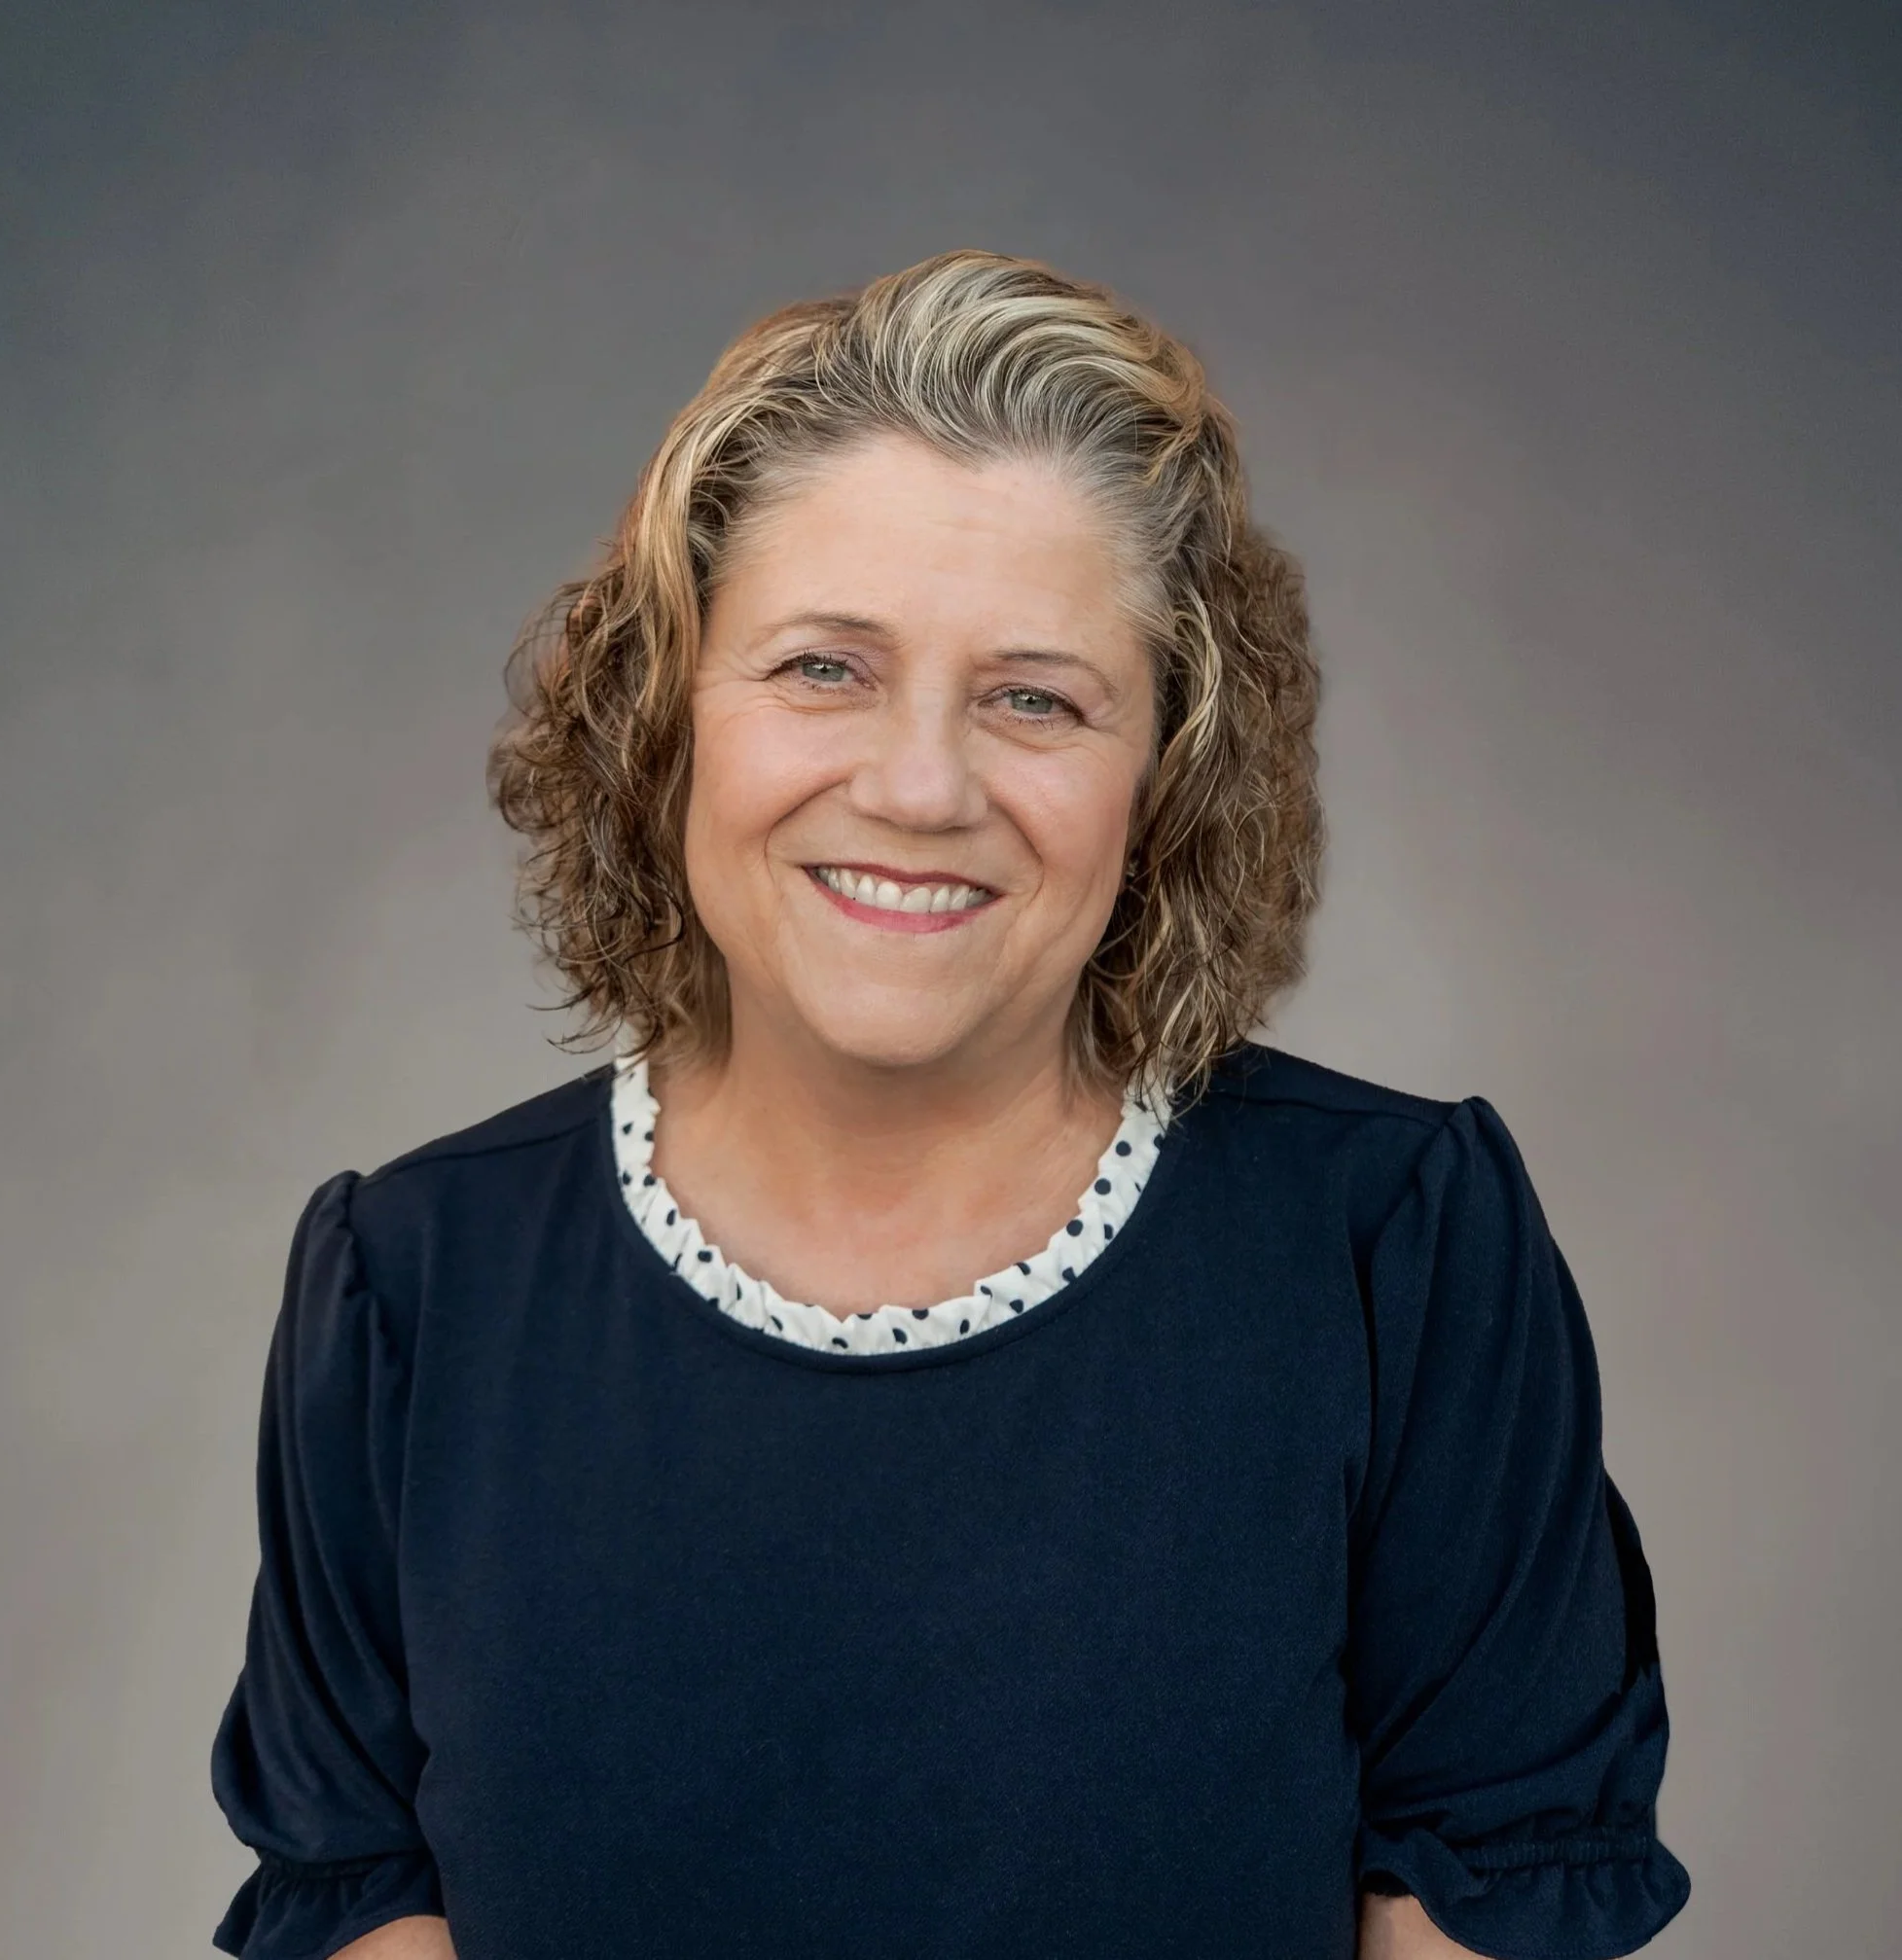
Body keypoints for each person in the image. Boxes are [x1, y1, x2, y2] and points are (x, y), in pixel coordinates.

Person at [207, 249, 1690, 1959]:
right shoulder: (410, 1283)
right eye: (823, 668)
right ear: (663, 713)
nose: (919, 786)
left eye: (1033, 697)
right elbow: (358, 1890)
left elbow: (1496, 1874)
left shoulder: (1395, 1250)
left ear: (1168, 770)